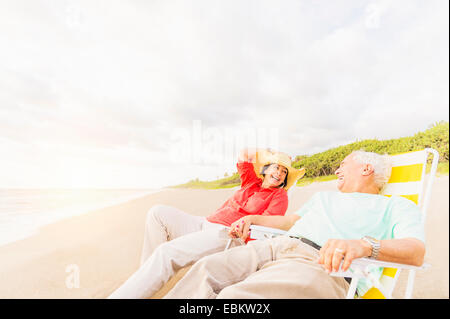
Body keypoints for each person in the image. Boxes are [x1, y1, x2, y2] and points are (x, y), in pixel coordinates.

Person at [163, 150, 426, 299]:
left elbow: (415, 251)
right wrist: (252, 218)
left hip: (321, 266)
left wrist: (363, 246)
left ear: (366, 169)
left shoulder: (396, 206)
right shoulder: (324, 197)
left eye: (344, 164)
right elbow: (290, 221)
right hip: (278, 246)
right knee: (203, 272)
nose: (337, 170)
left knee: (234, 297)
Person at [108, 148, 305, 298]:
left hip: (226, 234)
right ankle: (146, 278)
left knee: (166, 252)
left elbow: (269, 225)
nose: (279, 173)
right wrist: (260, 151)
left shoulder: (279, 195)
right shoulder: (251, 183)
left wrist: (247, 226)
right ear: (265, 169)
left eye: (284, 172)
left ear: (284, 180)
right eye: (275, 167)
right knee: (157, 214)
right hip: (205, 222)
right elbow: (244, 156)